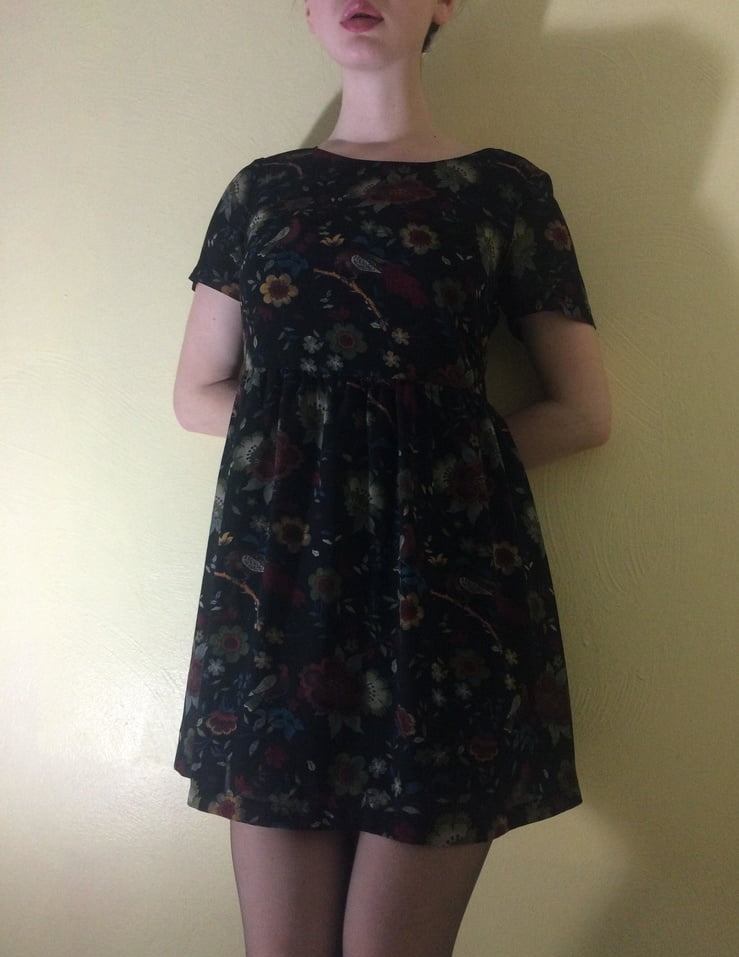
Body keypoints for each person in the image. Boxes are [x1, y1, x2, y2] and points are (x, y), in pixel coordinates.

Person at [172, 2, 611, 955]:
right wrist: (333, 457)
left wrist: (425, 472)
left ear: (444, 3)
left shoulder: (503, 190)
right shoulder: (262, 191)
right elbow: (197, 394)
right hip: (282, 601)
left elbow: (581, 412)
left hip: (444, 601)